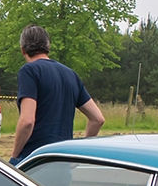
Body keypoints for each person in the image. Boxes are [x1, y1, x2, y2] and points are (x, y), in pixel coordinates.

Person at [10, 24, 104, 163]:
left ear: (23, 50)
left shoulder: (29, 71)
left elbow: (27, 121)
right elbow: (98, 119)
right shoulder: (71, 74)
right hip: (63, 160)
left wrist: (15, 157)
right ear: (48, 47)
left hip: (36, 160)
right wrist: (78, 153)